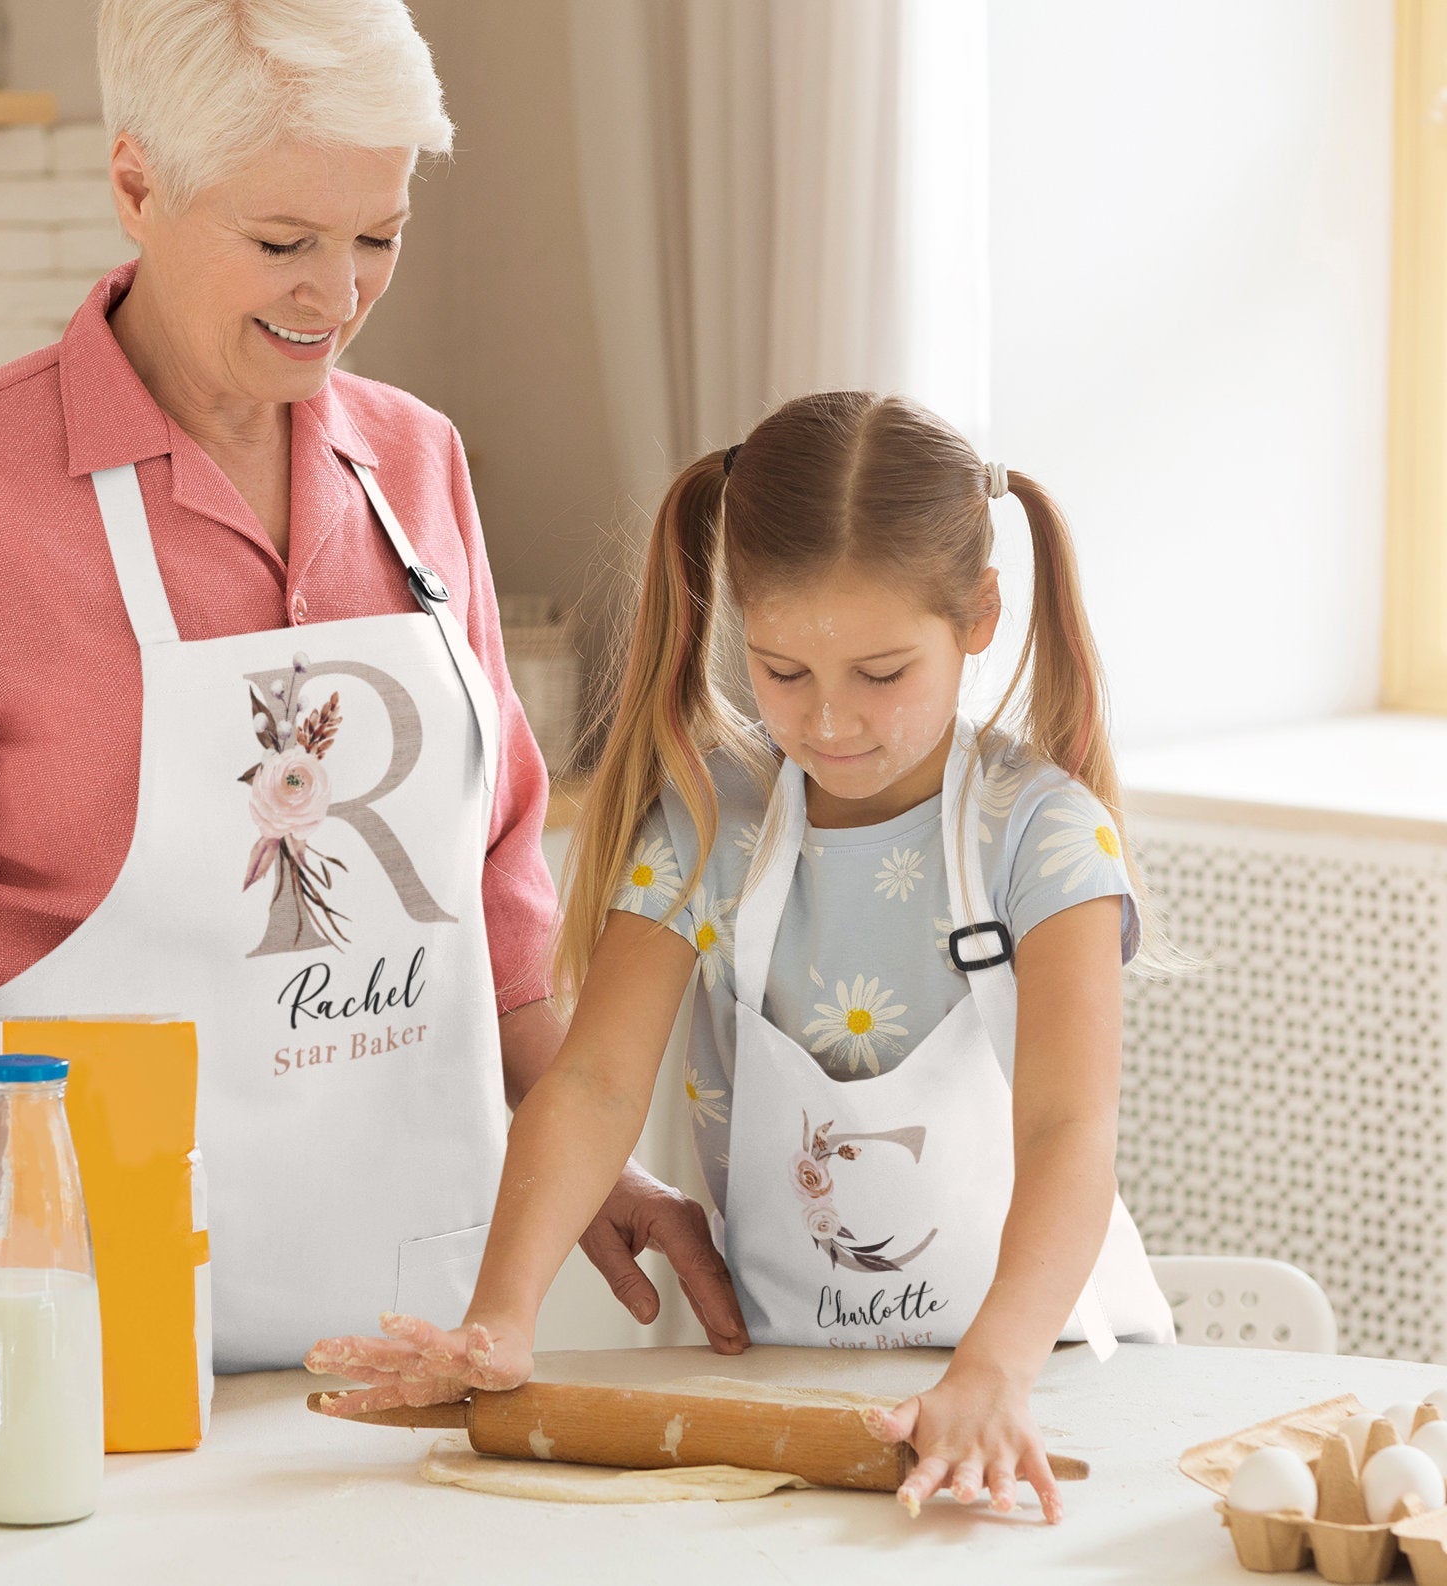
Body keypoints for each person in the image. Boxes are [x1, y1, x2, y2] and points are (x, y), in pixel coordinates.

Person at [0, 0, 742, 1374]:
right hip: (74, 1299)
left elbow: (493, 876)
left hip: (408, 1311)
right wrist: (22, 1181)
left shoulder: (415, 464)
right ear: (138, 182)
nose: (337, 296)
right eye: (283, 242)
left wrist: (580, 1164)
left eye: (377, 236)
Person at [309, 392, 1177, 1517]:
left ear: (978, 615)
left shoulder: (1043, 834)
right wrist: (501, 1317)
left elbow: (1070, 1128)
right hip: (796, 1393)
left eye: (881, 673)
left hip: (1041, 1380)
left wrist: (992, 1371)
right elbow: (594, 1079)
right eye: (781, 671)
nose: (830, 723)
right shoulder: (715, 823)